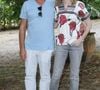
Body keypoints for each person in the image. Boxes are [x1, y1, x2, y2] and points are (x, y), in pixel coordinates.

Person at [50, 0, 92, 90]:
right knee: (56, 75)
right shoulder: (57, 7)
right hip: (61, 44)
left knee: (74, 76)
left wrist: (81, 39)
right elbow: (55, 25)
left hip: (76, 44)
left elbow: (89, 24)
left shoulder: (79, 5)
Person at [19, 0, 55, 90]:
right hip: (30, 47)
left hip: (47, 47)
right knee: (29, 76)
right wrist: (22, 48)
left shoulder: (53, 2)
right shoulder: (27, 4)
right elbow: (22, 27)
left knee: (45, 76)